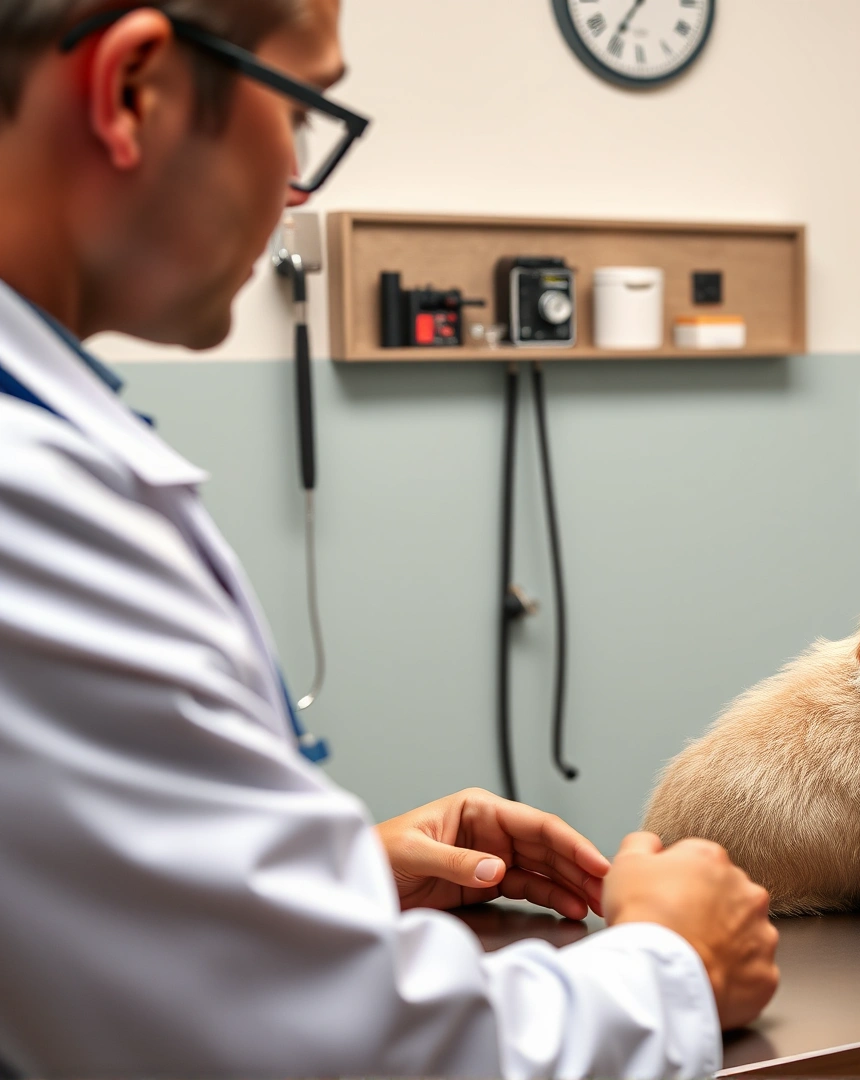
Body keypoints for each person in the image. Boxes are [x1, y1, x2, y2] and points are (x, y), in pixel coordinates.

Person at [0, 2, 776, 1076]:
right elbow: (317, 1050)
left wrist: (336, 884)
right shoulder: (28, 507)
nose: (300, 188)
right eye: (304, 112)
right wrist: (671, 964)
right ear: (135, 90)